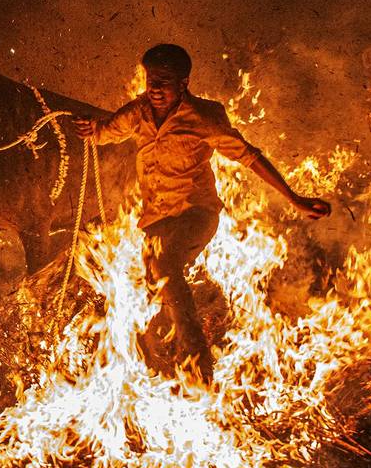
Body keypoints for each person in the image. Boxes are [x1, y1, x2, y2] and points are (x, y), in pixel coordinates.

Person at [73, 44, 331, 382]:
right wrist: (90, 128)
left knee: (166, 267)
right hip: (156, 221)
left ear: (183, 83)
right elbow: (105, 132)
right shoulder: (139, 112)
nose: (155, 89)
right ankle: (160, 377)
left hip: (196, 215)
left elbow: (249, 157)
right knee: (153, 299)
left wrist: (293, 198)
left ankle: (199, 362)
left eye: (164, 81)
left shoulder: (204, 117)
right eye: (151, 80)